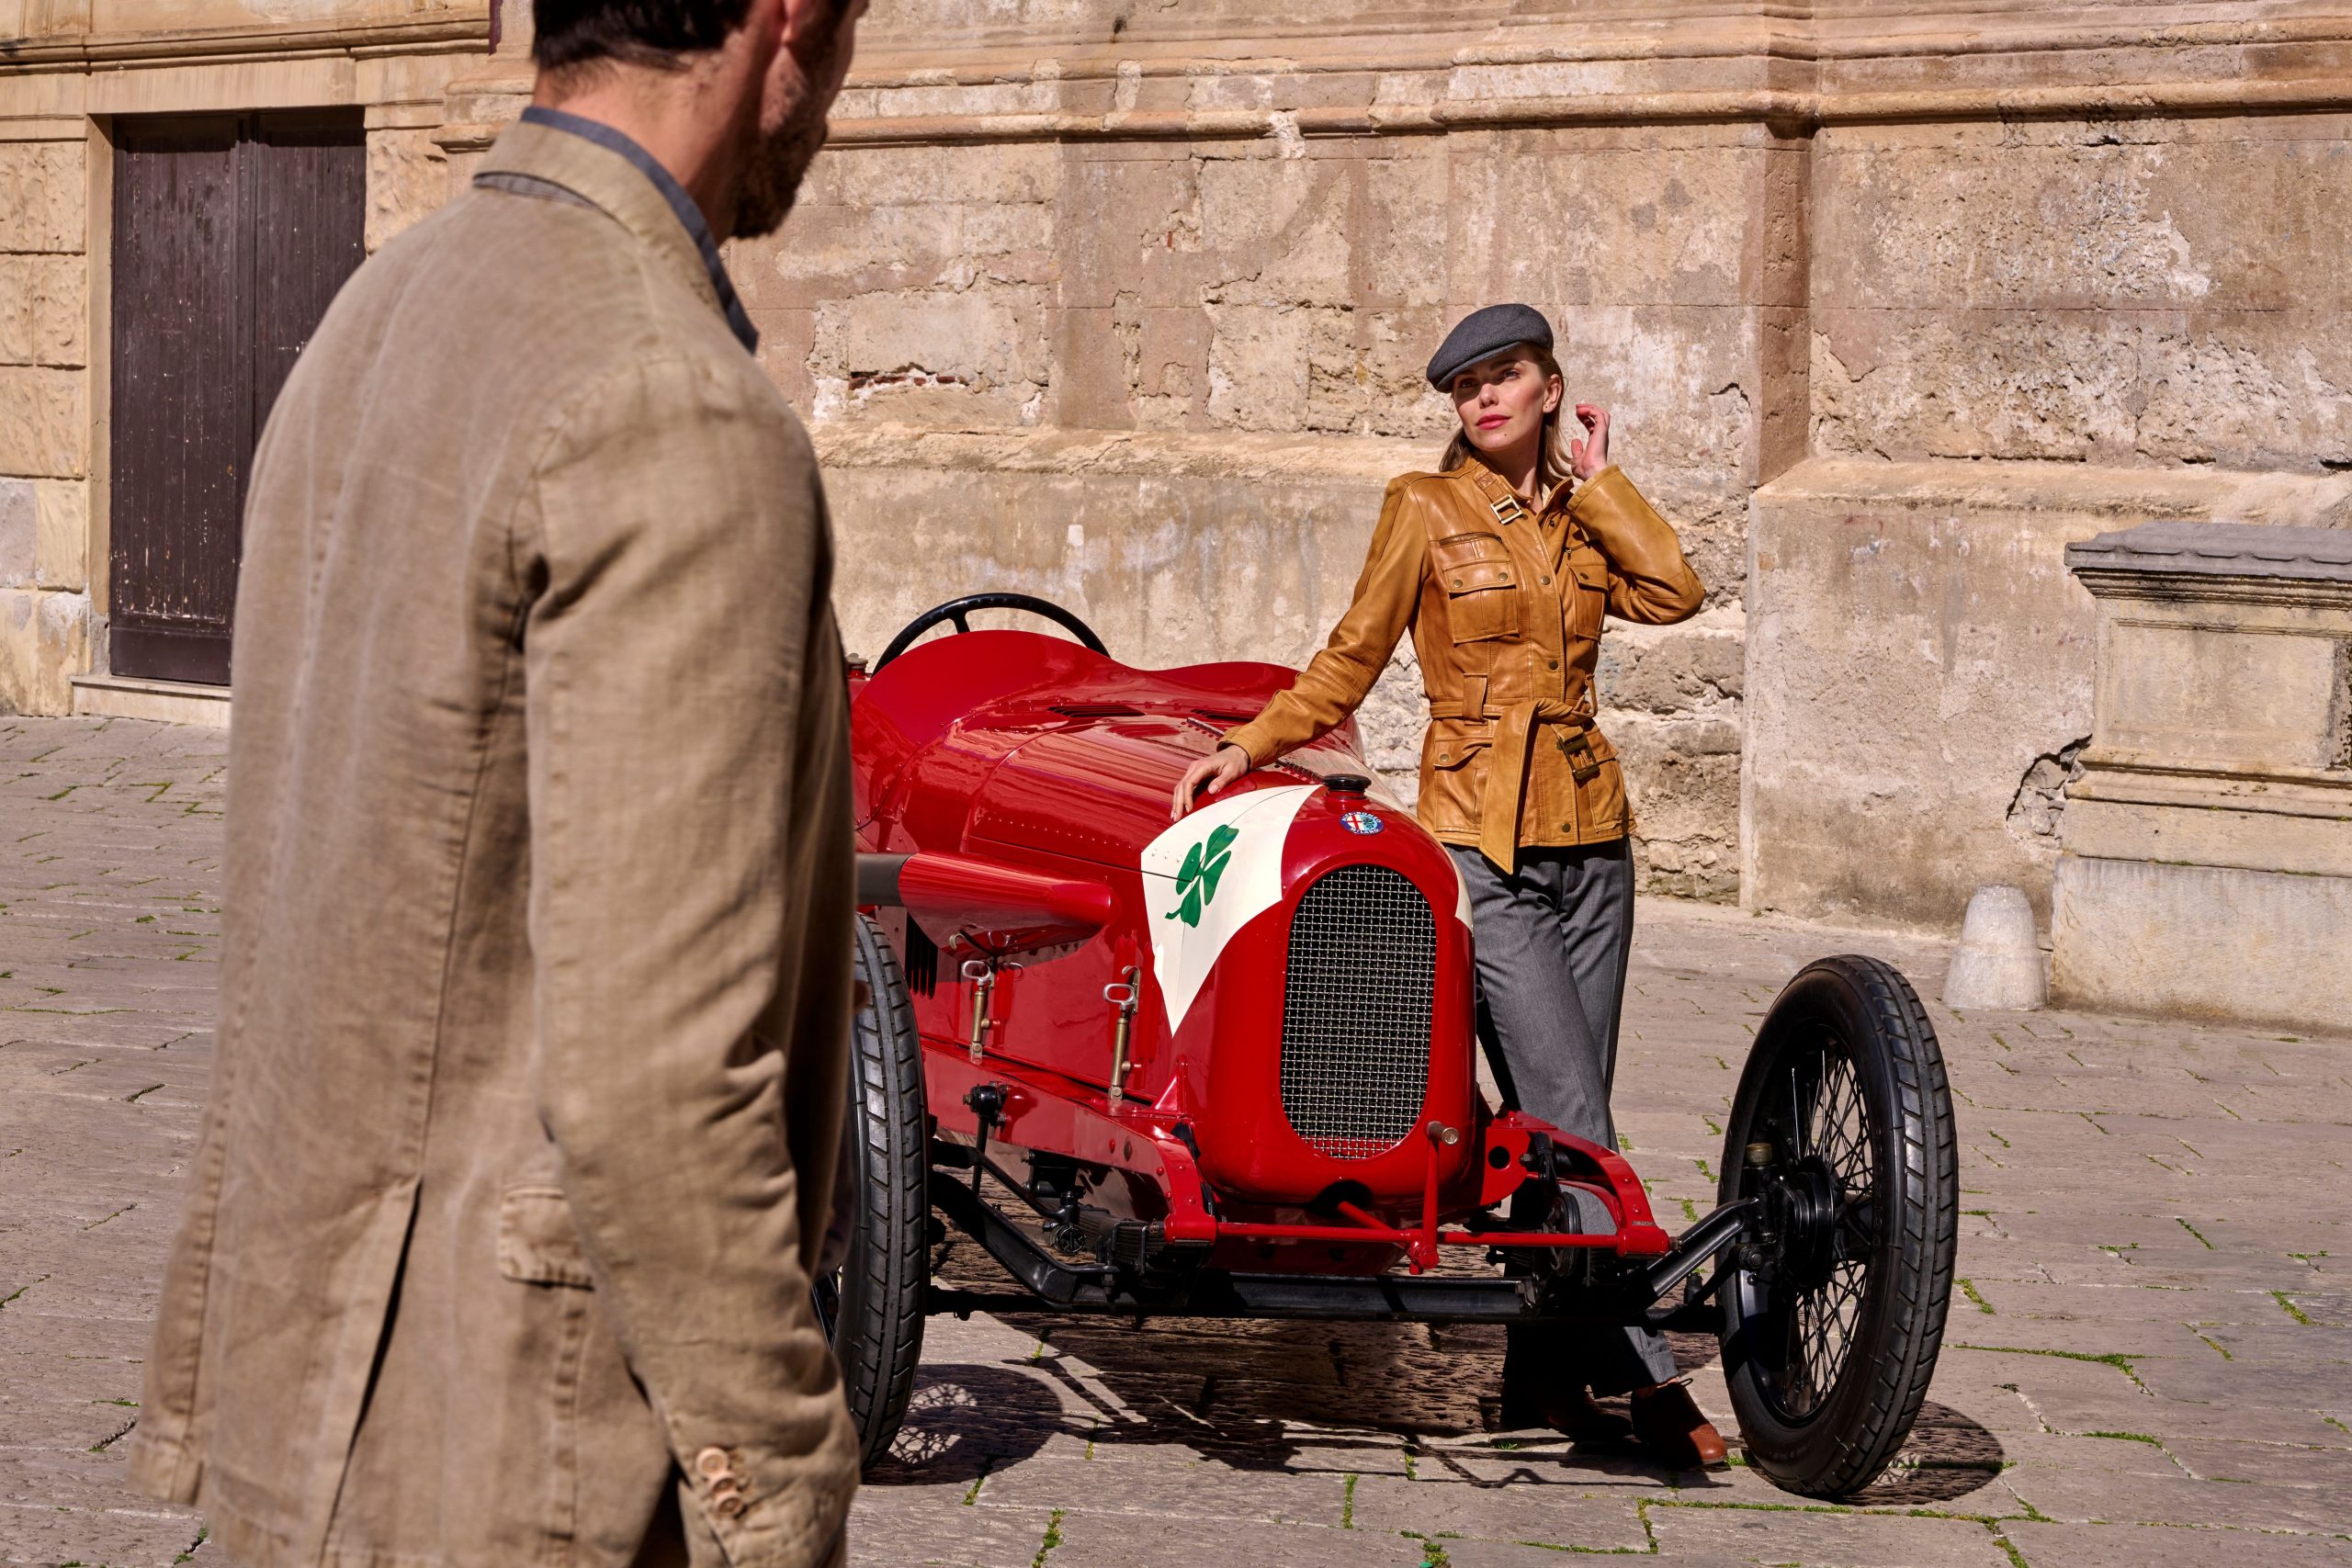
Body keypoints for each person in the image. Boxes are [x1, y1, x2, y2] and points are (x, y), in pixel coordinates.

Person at [128, 1, 871, 1562]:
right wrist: (784, 1478)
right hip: (527, 1453)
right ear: (786, 20)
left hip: (307, 1399)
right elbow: (661, 1079)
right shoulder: (672, 403)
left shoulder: (375, 309)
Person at [1172, 303, 1726, 1468]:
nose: (1483, 398)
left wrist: (1604, 484)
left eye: (1505, 376)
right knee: (1579, 1119)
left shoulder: (1579, 520)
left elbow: (1675, 591)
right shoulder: (1422, 508)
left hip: (1592, 839)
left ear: (1547, 389)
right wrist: (1255, 743)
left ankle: (1544, 1380)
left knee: (1548, 1123)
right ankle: (1645, 1381)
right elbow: (1352, 653)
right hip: (1480, 842)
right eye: (1466, 385)